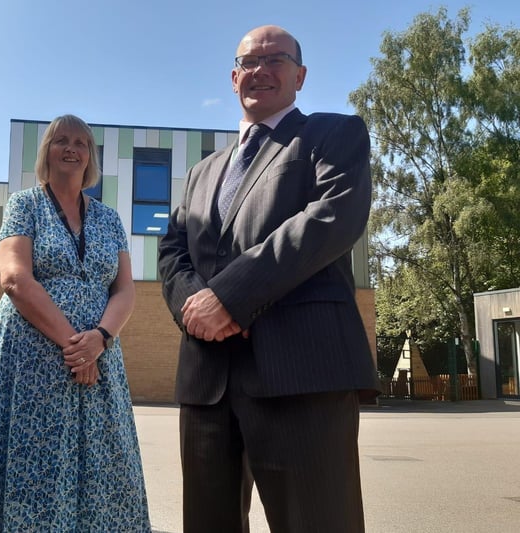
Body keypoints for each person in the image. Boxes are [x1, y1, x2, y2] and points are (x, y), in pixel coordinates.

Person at [158, 25, 381, 533]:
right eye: (249, 62)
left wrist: (230, 298)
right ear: (234, 77)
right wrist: (199, 309)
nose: (260, 70)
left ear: (300, 76)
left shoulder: (332, 134)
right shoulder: (202, 171)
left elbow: (333, 218)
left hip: (300, 377)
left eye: (275, 59)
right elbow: (172, 249)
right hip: (208, 381)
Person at [0, 114, 150, 532]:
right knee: (34, 454)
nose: (71, 148)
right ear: (46, 150)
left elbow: (125, 290)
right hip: (32, 358)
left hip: (99, 358)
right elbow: (15, 278)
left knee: (103, 457)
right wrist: (75, 347)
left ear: (90, 156)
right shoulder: (24, 204)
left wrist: (99, 339)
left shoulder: (109, 219)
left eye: (81, 142)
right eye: (61, 140)